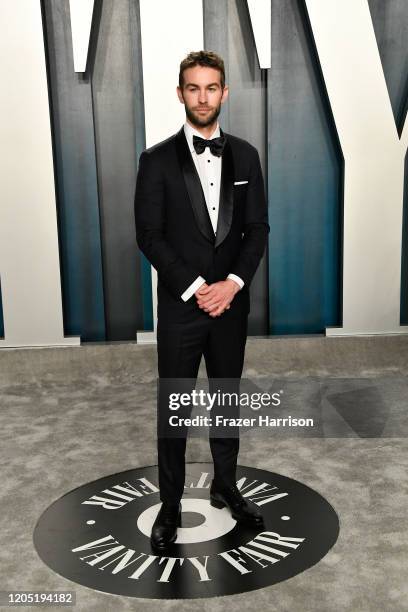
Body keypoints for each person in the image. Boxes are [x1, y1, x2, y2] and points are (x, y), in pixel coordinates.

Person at [134, 50, 270, 552]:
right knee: (175, 408)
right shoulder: (156, 160)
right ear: (180, 93)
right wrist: (196, 288)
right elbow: (148, 235)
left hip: (230, 304)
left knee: (226, 401)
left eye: (212, 87)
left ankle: (225, 485)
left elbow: (257, 229)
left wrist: (232, 283)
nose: (203, 96)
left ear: (224, 92)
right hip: (181, 307)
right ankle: (170, 506)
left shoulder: (247, 157)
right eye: (194, 87)